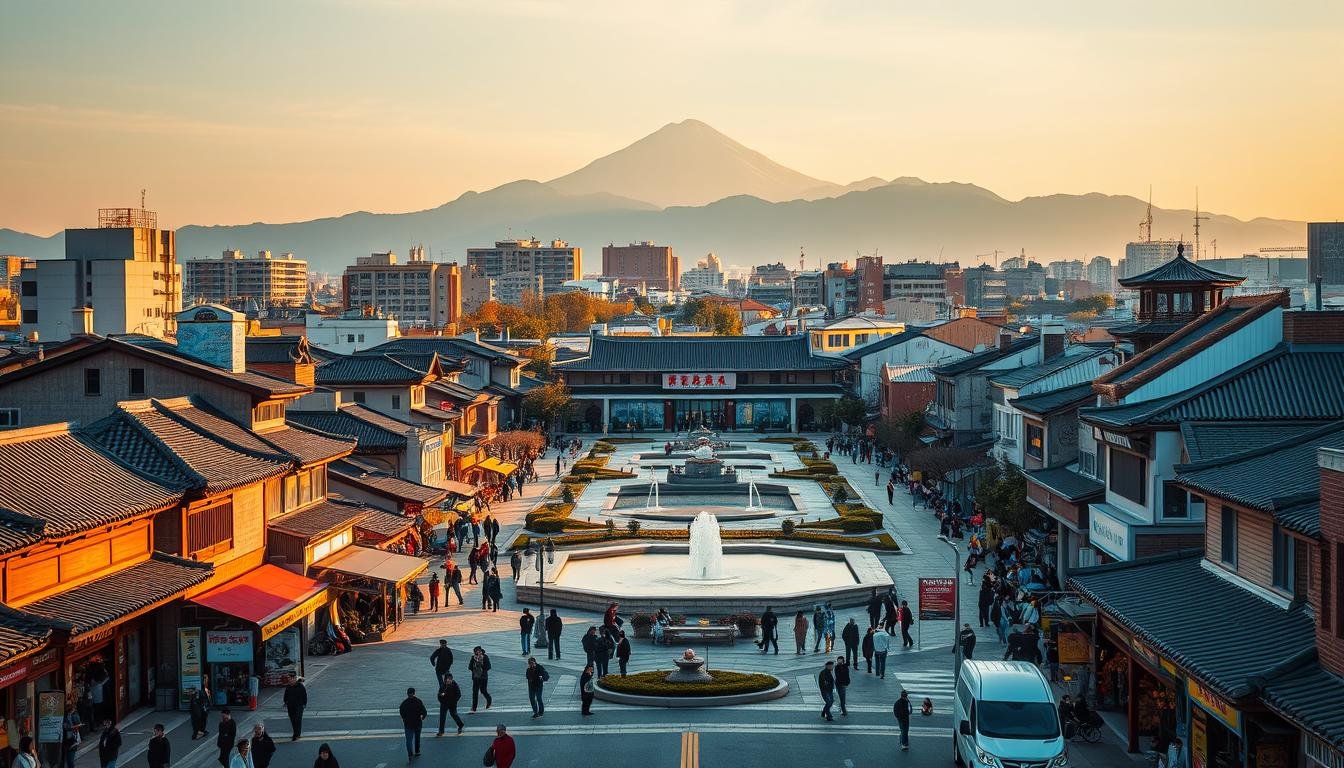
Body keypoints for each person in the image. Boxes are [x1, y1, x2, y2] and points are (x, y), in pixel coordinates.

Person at [398, 687, 427, 758]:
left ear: (407, 694)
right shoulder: (418, 701)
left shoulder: (404, 703)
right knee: (417, 738)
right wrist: (422, 718)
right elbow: (424, 712)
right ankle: (417, 751)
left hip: (408, 723)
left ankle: (410, 754)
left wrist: (404, 719)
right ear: (414, 693)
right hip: (417, 723)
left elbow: (401, 712)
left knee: (409, 740)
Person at [468, 646, 493, 711]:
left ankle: (489, 699)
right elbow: (470, 667)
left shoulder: (485, 657)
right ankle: (474, 707)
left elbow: (489, 666)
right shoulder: (473, 658)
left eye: (478, 651)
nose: (477, 652)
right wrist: (475, 671)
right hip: (476, 677)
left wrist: (482, 671)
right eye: (476, 651)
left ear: (481, 651)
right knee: (475, 692)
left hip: (483, 677)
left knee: (483, 691)